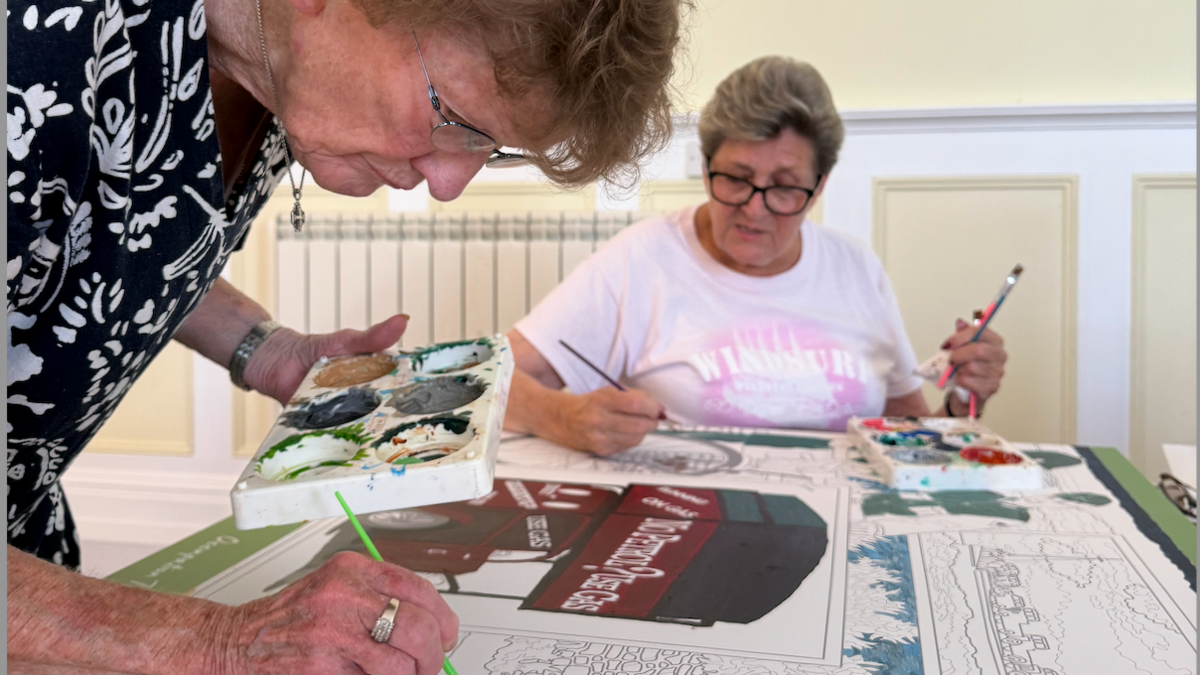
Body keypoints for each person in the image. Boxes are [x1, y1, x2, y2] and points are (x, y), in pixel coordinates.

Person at [6, 0, 688, 671]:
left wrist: (267, 350)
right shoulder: (31, 56)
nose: (449, 183)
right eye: (453, 118)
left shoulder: (275, 75)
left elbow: (118, 235)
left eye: (491, 148)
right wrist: (218, 640)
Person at [504, 55, 1008, 456]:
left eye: (785, 188)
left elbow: (906, 432)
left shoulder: (855, 267)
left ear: (819, 187)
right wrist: (564, 417)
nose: (754, 210)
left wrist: (962, 399)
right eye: (737, 178)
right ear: (705, 169)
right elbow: (486, 383)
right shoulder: (642, 260)